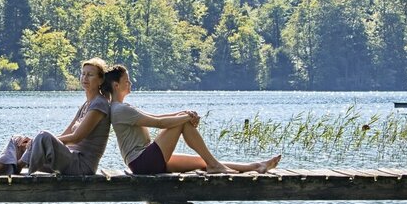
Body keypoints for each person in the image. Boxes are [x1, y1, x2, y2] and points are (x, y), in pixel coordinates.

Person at [102, 65, 280, 175]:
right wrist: (187, 118)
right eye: (127, 80)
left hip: (145, 161)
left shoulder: (122, 108)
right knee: (183, 124)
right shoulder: (120, 109)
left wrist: (182, 112)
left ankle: (256, 166)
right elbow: (159, 124)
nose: (131, 83)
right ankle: (215, 165)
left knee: (201, 162)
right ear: (116, 85)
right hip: (143, 162)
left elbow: (157, 117)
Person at [0, 58, 112, 176]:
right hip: (66, 159)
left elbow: (76, 137)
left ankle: (17, 166)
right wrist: (34, 144)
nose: (85, 78)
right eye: (83, 73)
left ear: (100, 80)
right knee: (18, 140)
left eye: (90, 75)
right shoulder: (86, 105)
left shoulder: (99, 105)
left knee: (43, 136)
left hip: (80, 165)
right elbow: (66, 134)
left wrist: (38, 143)